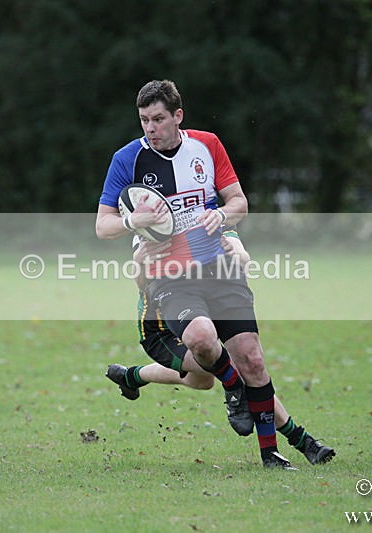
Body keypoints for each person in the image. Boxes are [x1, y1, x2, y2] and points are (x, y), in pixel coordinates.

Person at [96, 79, 295, 469]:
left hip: (218, 266)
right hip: (168, 274)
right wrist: (132, 221)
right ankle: (233, 387)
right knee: (203, 344)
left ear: (178, 116)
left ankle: (271, 453)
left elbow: (239, 202)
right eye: (143, 120)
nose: (150, 128)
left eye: (158, 119)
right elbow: (102, 226)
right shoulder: (127, 159)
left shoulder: (207, 145)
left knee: (249, 359)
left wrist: (222, 216)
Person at [106, 230, 335, 465]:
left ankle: (132, 376)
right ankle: (301, 440)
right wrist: (139, 261)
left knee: (203, 380)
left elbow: (241, 256)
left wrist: (238, 255)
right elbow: (142, 282)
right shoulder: (157, 228)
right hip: (163, 328)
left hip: (204, 310)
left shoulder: (208, 215)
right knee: (234, 369)